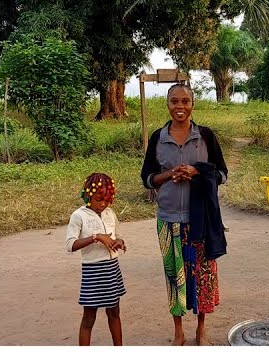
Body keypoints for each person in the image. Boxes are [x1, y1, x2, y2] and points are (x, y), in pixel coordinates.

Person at [140, 83, 229, 346]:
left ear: (192, 104)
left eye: (185, 101)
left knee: (202, 276)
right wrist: (169, 175)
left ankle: (201, 328)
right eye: (174, 101)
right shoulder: (158, 138)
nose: (180, 106)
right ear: (167, 104)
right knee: (174, 277)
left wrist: (197, 171)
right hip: (168, 220)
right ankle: (178, 330)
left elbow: (222, 173)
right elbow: (147, 178)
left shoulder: (205, 136)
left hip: (200, 221)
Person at [67, 172, 127, 346]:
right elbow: (70, 245)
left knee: (114, 313)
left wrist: (119, 242)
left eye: (107, 200)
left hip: (112, 269)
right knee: (89, 317)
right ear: (88, 195)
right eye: (98, 199)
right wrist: (96, 237)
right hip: (93, 272)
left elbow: (119, 236)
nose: (102, 204)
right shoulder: (79, 216)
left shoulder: (110, 213)